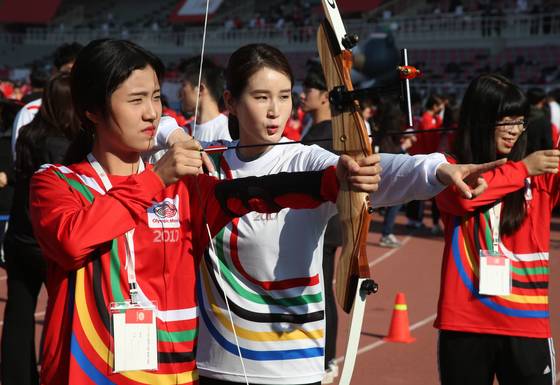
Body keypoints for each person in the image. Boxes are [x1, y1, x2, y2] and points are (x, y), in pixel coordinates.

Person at [28, 38, 379, 385]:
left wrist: (332, 181)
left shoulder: (185, 187)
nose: (152, 113)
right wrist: (154, 180)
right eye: (136, 100)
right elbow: (72, 240)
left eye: (155, 97)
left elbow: (252, 193)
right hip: (88, 374)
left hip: (176, 375)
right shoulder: (58, 183)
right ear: (92, 110)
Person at [195, 43, 505, 385]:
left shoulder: (306, 159)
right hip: (216, 362)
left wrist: (436, 170)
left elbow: (370, 171)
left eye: (284, 96)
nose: (275, 111)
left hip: (293, 367)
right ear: (230, 102)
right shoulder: (205, 164)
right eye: (261, 97)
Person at [435, 73, 560, 385]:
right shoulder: (448, 166)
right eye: (506, 121)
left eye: (520, 121)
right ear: (480, 119)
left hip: (525, 323)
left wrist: (530, 165)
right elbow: (465, 197)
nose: (515, 131)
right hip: (464, 323)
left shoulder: (539, 171)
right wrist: (523, 169)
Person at [1, 72, 81, 385]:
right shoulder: (65, 145)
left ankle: (16, 377)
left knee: (19, 314)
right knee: (63, 313)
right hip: (47, 242)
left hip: (19, 236)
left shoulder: (28, 135)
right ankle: (56, 372)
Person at [11, 42, 83, 158]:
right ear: (55, 72)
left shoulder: (93, 111)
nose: (73, 76)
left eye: (79, 70)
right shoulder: (31, 111)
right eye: (69, 70)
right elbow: (19, 158)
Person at [179, 56, 231, 142]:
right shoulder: (183, 132)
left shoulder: (226, 130)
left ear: (200, 89)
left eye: (183, 85)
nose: (179, 94)